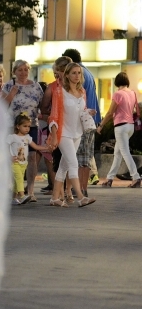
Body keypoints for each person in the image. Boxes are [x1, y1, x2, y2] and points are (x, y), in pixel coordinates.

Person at [47, 62, 96, 207]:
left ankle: (54, 198)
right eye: (73, 73)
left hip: (77, 133)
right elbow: (53, 116)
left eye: (79, 73)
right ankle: (81, 197)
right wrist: (54, 136)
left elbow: (80, 111)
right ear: (67, 75)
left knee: (64, 166)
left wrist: (88, 112)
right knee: (73, 164)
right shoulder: (59, 92)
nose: (77, 76)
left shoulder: (82, 92)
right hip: (63, 133)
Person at [3, 59, 44, 198]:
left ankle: (30, 190)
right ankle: (14, 189)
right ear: (14, 71)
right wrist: (11, 94)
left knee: (31, 157)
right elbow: (2, 105)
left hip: (31, 125)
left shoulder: (36, 86)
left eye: (26, 69)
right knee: (15, 157)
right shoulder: (9, 85)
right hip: (14, 126)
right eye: (20, 70)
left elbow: (42, 105)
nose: (23, 72)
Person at [63, 48, 101, 186]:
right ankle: (84, 185)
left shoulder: (78, 75)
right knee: (86, 154)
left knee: (79, 156)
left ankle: (77, 187)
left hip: (82, 118)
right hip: (90, 118)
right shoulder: (88, 72)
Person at [98, 72, 141, 187]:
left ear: (117, 82)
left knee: (125, 152)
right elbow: (137, 111)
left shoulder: (118, 94)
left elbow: (110, 112)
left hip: (121, 127)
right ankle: (109, 178)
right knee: (118, 153)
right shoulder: (133, 93)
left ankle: (136, 177)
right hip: (130, 126)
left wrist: (101, 125)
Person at [39, 56, 71, 194]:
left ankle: (67, 190)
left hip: (71, 127)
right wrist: (54, 114)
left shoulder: (75, 87)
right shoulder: (52, 87)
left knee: (69, 159)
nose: (59, 74)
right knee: (55, 158)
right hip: (56, 127)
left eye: (62, 71)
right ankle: (58, 191)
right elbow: (44, 108)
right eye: (58, 71)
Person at [8, 113, 48, 205]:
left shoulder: (27, 138)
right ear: (18, 126)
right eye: (24, 126)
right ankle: (22, 196)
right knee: (19, 179)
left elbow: (36, 147)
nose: (27, 129)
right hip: (15, 163)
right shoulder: (12, 137)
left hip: (23, 164)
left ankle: (14, 198)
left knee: (17, 181)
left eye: (29, 126)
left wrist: (46, 148)